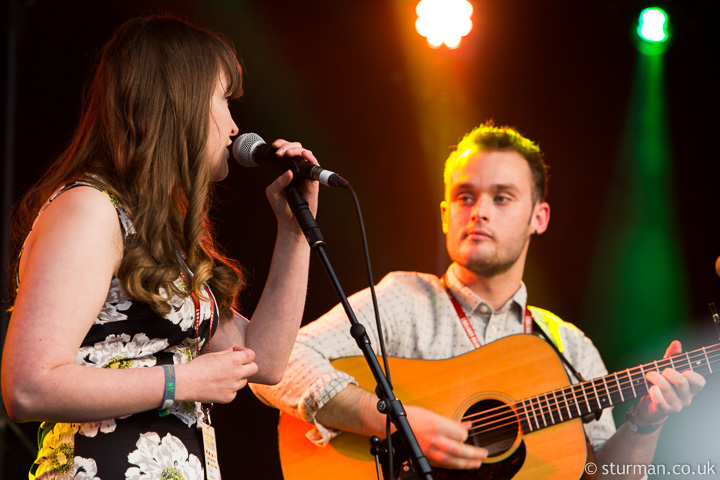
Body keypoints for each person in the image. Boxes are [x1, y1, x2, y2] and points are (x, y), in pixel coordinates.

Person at [252, 123, 706, 479]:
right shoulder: (404, 298)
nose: (481, 210)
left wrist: (645, 423)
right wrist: (397, 423)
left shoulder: (571, 349)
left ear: (538, 217)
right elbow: (273, 363)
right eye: (465, 197)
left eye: (502, 197)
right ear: (447, 215)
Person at [1, 16, 319, 480]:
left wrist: (294, 233)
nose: (234, 126)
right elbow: (27, 386)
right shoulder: (89, 209)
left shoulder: (154, 237)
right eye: (223, 99)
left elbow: (263, 360)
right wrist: (181, 381)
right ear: (180, 101)